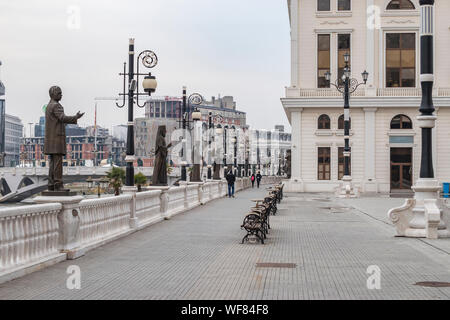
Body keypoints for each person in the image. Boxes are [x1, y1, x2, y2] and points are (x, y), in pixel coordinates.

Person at [44, 86, 84, 191]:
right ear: (53, 94)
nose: (61, 95)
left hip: (50, 139)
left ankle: (51, 184)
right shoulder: (56, 106)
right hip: (57, 139)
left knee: (53, 162)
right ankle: (58, 185)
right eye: (59, 93)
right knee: (57, 163)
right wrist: (76, 117)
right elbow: (63, 118)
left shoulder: (48, 106)